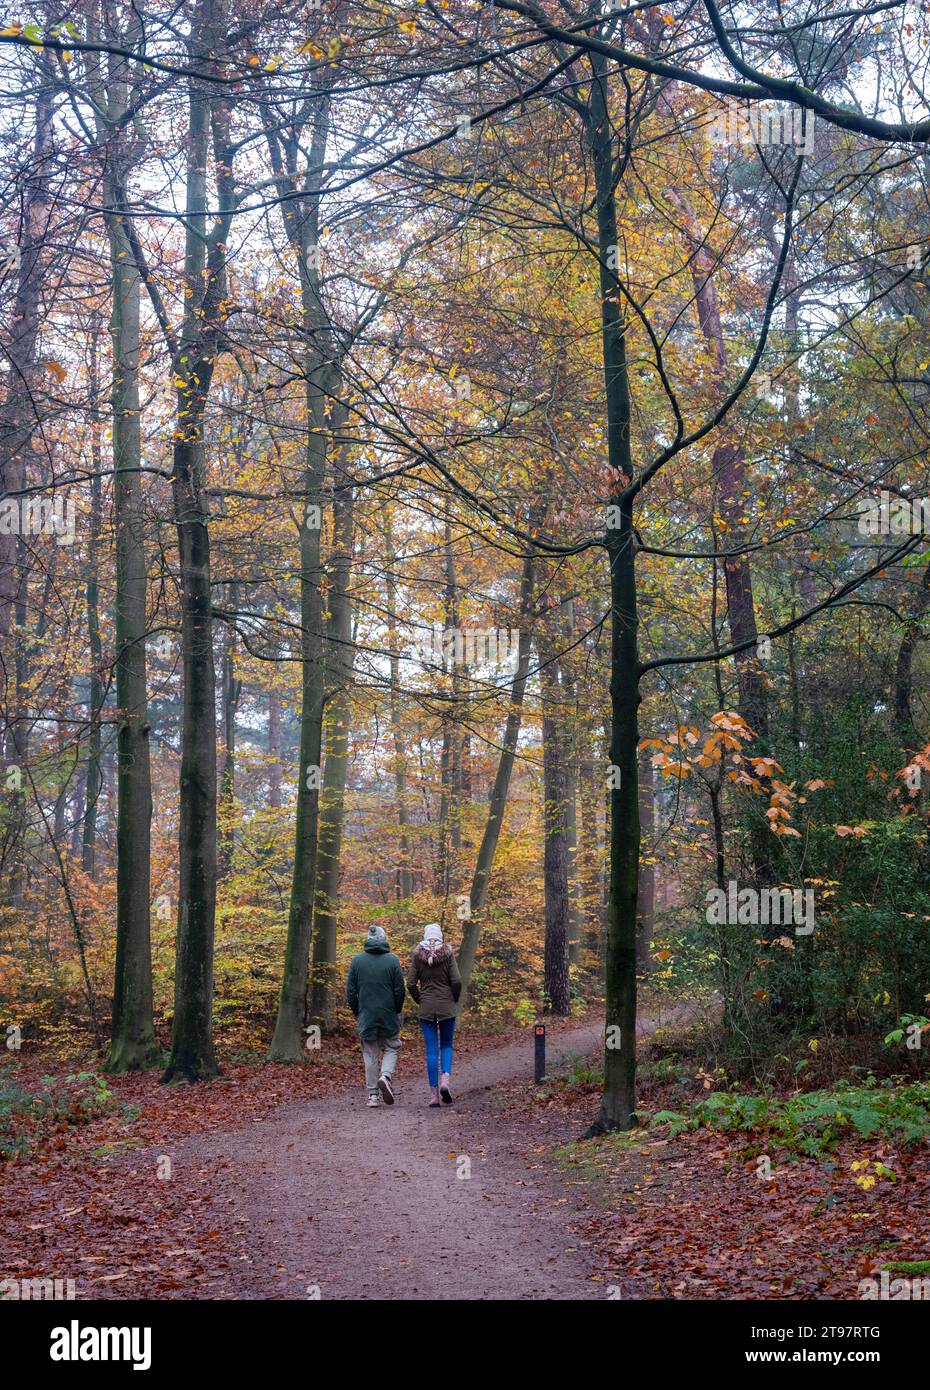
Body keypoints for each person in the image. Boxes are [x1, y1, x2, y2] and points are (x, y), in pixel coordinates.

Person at [346, 924, 405, 1107]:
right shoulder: (393, 960)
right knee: (391, 1046)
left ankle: (373, 1095)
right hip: (388, 1013)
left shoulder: (357, 961)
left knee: (369, 1053)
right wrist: (396, 1009)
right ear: (384, 939)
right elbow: (399, 991)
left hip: (366, 1014)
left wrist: (358, 1011)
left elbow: (350, 991)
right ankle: (386, 1076)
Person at [407, 923, 462, 1107]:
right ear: (440, 936)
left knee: (431, 1051)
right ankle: (445, 1081)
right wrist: (453, 998)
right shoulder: (448, 954)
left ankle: (433, 1096)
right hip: (447, 1006)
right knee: (446, 1045)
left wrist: (420, 1000)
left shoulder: (417, 956)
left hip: (427, 1007)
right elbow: (456, 980)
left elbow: (411, 984)